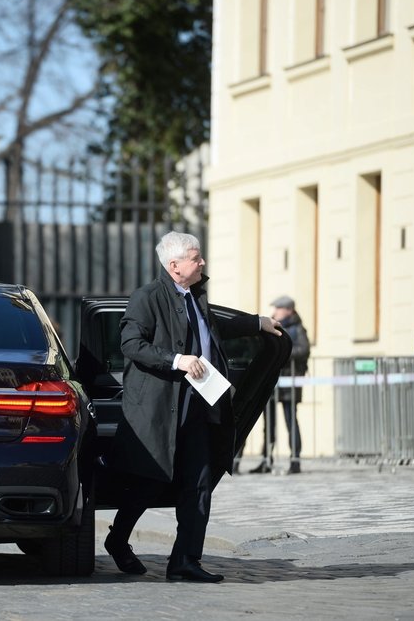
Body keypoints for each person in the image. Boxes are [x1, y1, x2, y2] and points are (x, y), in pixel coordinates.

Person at [103, 231, 281, 583]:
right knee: (149, 484)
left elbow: (214, 325)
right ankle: (118, 539)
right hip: (162, 409)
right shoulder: (147, 297)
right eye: (196, 258)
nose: (202, 263)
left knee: (199, 484)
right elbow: (131, 344)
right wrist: (176, 360)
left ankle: (185, 560)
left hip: (201, 407)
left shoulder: (195, 297)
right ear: (174, 265)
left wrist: (256, 323)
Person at [248, 295, 310, 475]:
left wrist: (283, 351)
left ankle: (295, 460)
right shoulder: (275, 326)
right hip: (273, 381)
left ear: (289, 310)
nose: (275, 312)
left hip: (289, 382)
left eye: (279, 309)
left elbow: (303, 349)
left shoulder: (298, 328)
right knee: (269, 424)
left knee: (291, 421)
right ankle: (266, 459)